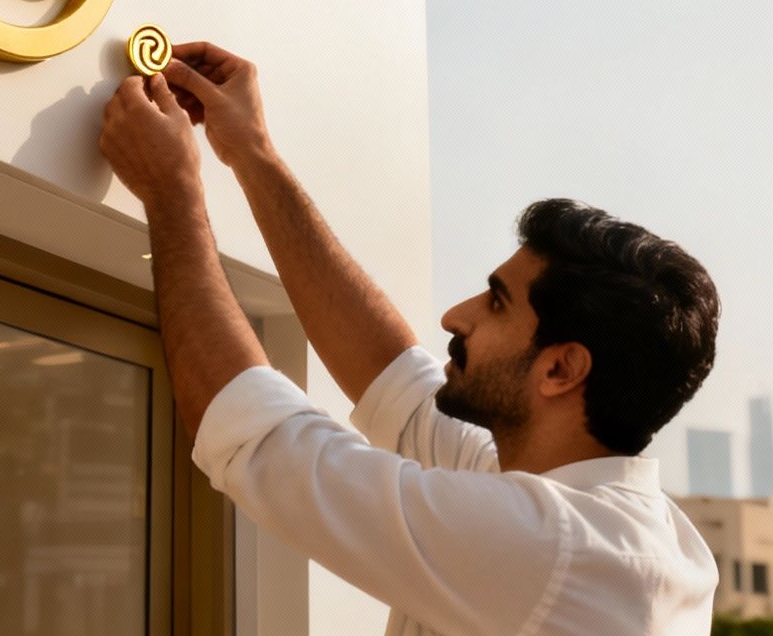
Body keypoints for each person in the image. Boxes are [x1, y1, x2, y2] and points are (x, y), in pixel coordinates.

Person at [98, 41, 723, 636]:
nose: (456, 315)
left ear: (561, 370)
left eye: (498, 304)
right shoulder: (606, 521)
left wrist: (172, 190)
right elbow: (393, 378)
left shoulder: (555, 548)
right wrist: (253, 152)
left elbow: (258, 436)